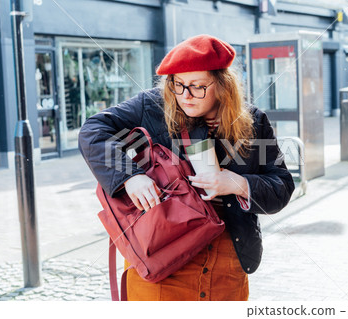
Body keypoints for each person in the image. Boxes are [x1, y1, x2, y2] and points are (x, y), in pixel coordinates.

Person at [78, 34, 295, 301]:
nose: (185, 96)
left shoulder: (253, 120)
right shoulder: (151, 105)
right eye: (178, 85)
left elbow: (282, 186)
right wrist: (130, 177)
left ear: (223, 84)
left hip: (228, 259)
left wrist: (236, 183)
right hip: (162, 253)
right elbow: (93, 131)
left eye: (198, 86)